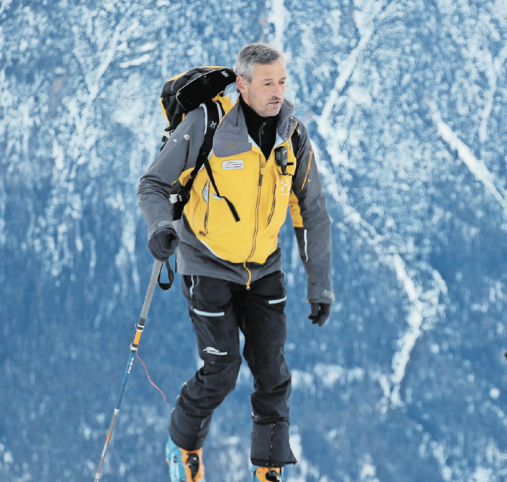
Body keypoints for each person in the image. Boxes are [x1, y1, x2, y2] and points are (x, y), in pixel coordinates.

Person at [138, 43, 333, 482]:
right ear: (242, 85)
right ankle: (183, 446)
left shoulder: (292, 136)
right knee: (222, 369)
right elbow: (153, 183)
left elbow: (312, 211)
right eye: (267, 83)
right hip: (206, 264)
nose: (277, 92)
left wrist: (319, 285)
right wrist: (159, 228)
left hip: (263, 267)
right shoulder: (206, 124)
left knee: (272, 372)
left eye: (282, 82)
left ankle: (267, 470)